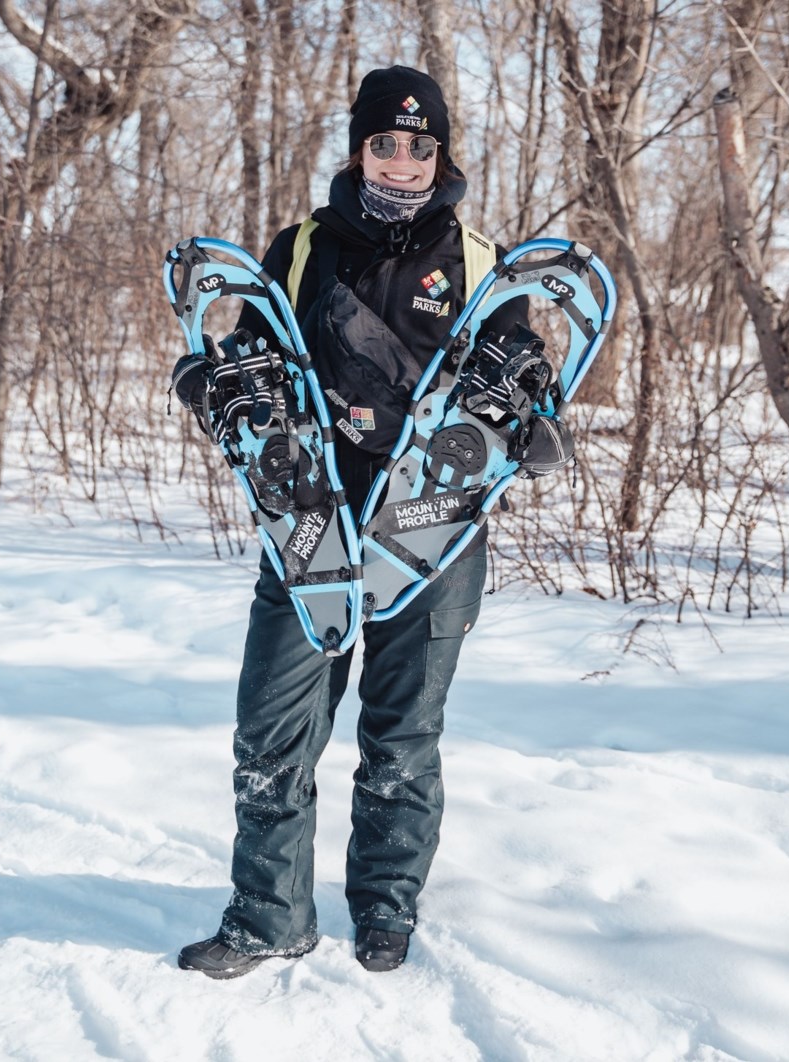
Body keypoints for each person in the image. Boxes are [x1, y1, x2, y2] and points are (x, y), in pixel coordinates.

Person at [177, 66, 536, 979]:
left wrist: (527, 408)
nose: (404, 161)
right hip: (310, 528)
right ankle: (268, 917)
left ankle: (384, 908)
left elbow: (513, 386)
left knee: (404, 731)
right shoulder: (301, 249)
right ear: (358, 147)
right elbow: (253, 366)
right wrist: (215, 387)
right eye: (386, 142)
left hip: (432, 531)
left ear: (441, 155)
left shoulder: (485, 265)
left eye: (422, 146)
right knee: (273, 727)